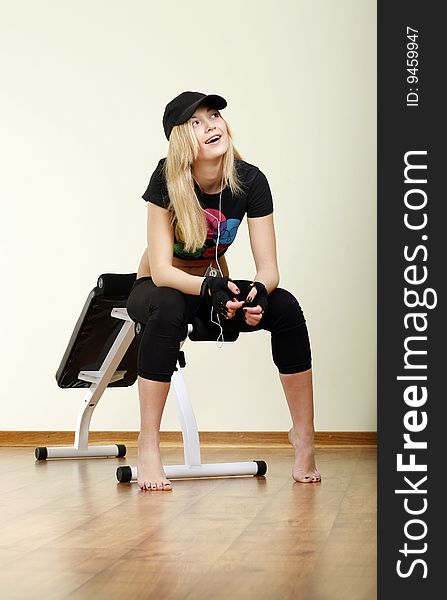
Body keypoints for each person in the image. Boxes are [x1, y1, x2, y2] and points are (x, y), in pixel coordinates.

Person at [126, 91, 321, 491]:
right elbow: (162, 272)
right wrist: (209, 285)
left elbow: (269, 270)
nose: (212, 124)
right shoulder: (166, 178)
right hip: (159, 289)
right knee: (166, 305)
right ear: (183, 139)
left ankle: (304, 437)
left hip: (211, 291)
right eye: (197, 122)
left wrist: (259, 294)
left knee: (285, 307)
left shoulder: (250, 180)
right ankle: (149, 444)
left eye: (214, 115)